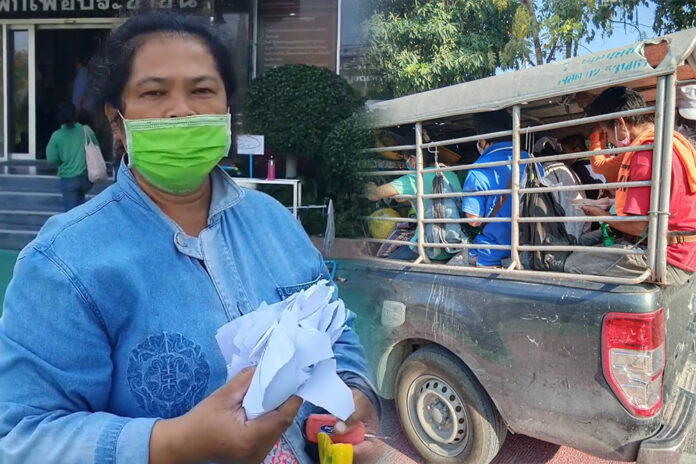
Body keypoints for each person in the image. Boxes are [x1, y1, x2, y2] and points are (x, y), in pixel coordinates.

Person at [0, 12, 381, 464]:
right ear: (117, 123)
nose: (181, 110)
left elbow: (336, 329)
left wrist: (355, 395)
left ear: (225, 112)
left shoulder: (275, 222)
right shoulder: (63, 261)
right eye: (154, 92)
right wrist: (174, 441)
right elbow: (21, 437)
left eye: (202, 90)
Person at [565, 86, 696, 284]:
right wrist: (607, 203)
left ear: (620, 123)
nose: (609, 139)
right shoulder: (671, 140)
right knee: (588, 244)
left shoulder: (645, 152)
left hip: (668, 258)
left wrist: (599, 213)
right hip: (684, 252)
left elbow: (639, 226)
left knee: (573, 263)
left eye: (607, 133)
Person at [450, 110, 533, 267]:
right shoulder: (533, 161)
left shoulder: (479, 170)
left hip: (491, 255)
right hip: (529, 253)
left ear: (482, 139)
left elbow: (473, 220)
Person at [365, 149, 464, 261]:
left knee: (387, 262)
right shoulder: (451, 175)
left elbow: (374, 195)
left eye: (406, 160)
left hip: (429, 248)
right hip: (455, 244)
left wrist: (369, 186)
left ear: (413, 159)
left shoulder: (415, 178)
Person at [46, 101, 96, 211]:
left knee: (71, 214)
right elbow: (95, 147)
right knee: (81, 209)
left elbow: (51, 159)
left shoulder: (56, 136)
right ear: (75, 114)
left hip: (68, 179)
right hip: (85, 178)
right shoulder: (85, 130)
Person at [559, 133, 605, 200]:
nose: (563, 157)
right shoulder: (595, 162)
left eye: (565, 153)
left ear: (577, 151)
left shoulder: (575, 168)